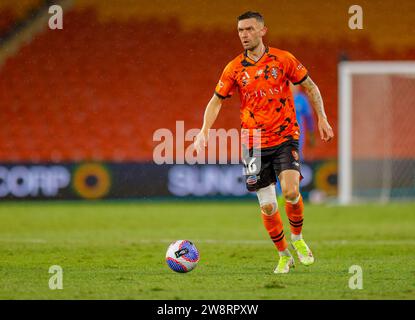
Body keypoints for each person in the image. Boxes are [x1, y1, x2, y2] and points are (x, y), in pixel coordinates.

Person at [193, 11, 334, 274]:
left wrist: (322, 118)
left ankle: (298, 239)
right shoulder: (234, 68)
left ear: (262, 31)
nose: (244, 35)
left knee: (291, 192)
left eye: (248, 29)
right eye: (240, 31)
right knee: (268, 205)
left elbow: (311, 87)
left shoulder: (283, 59)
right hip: (253, 142)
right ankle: (283, 255)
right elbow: (216, 100)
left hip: (284, 136)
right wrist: (203, 131)